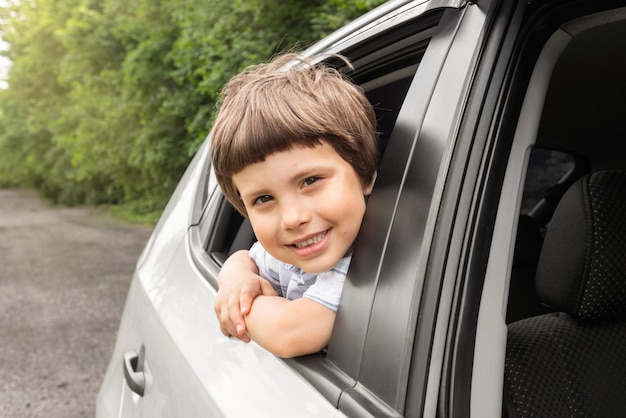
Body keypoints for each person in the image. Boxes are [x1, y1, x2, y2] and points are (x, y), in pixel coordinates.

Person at [210, 53, 378, 358]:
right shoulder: (288, 254)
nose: (292, 218)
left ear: (365, 173)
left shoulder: (367, 264)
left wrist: (238, 306)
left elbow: (289, 333)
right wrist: (236, 279)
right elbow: (243, 257)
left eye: (311, 181)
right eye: (263, 199)